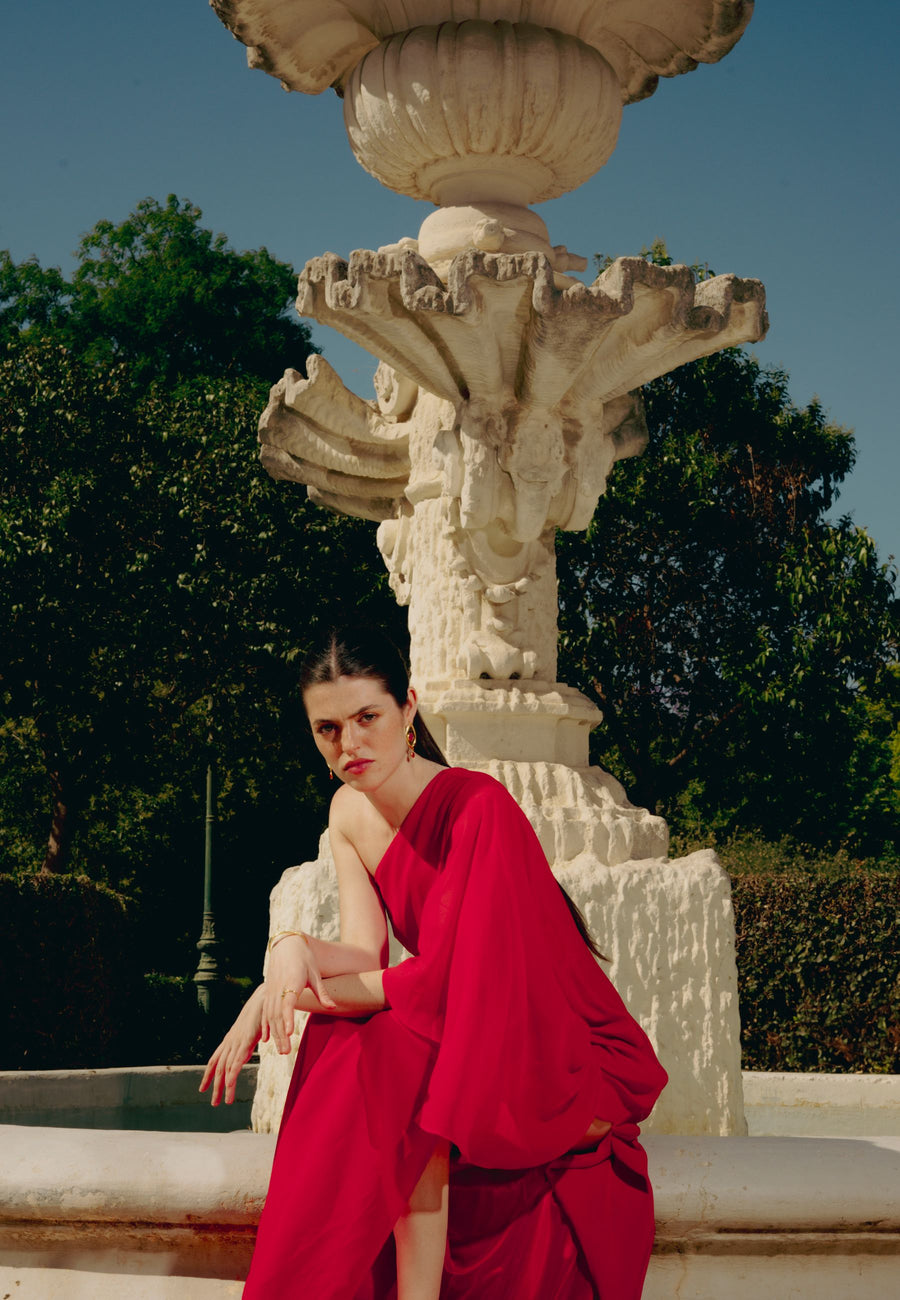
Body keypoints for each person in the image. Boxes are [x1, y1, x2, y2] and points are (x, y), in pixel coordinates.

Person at [201, 626, 667, 1299]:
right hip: (471, 1016)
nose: (349, 744)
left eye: (367, 718)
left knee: (389, 1044)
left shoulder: (479, 807)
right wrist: (290, 950)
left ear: (409, 709)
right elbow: (364, 953)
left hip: (555, 1043)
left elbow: (450, 980)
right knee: (357, 1039)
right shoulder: (347, 813)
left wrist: (279, 998)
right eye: (328, 728)